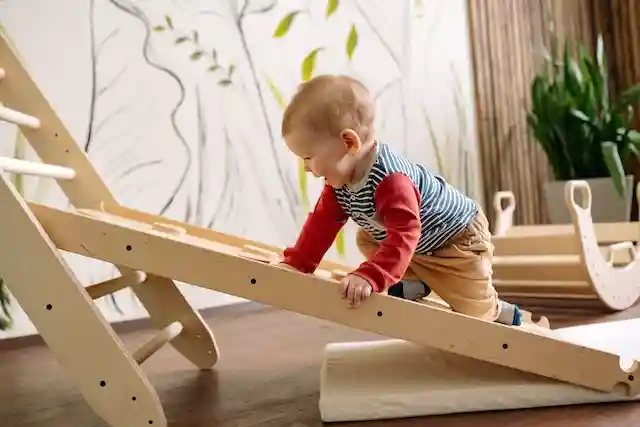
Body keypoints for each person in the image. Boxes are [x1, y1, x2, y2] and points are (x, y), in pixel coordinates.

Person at [275, 74, 521, 326]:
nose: (305, 168)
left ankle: (499, 311)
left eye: (308, 157)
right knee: (368, 236)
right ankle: (413, 281)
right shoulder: (339, 184)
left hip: (457, 237)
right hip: (418, 239)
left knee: (473, 311)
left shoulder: (391, 181)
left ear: (348, 142)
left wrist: (372, 275)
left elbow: (405, 235)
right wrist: (298, 263)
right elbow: (322, 223)